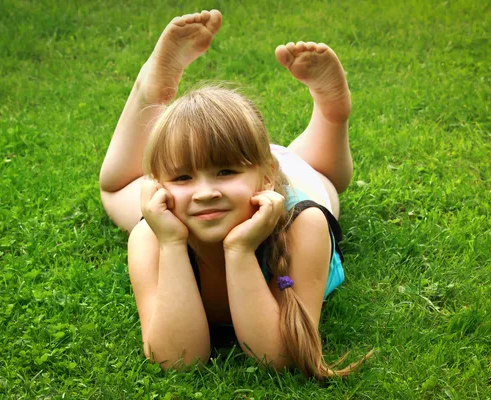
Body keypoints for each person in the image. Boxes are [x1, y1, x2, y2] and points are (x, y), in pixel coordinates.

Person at [99, 9, 371, 378]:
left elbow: (277, 358)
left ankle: (330, 114)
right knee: (114, 190)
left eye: (223, 173)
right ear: (159, 186)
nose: (205, 193)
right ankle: (149, 92)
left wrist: (240, 250)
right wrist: (173, 244)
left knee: (326, 179)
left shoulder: (302, 225)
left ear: (266, 176)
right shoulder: (153, 236)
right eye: (181, 178)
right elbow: (178, 358)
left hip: (292, 180)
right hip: (243, 174)